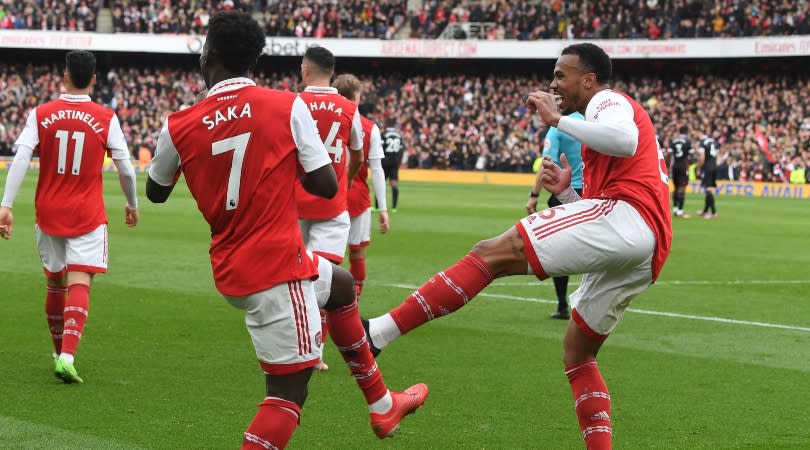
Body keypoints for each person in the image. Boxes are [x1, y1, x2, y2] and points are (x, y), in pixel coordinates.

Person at [365, 43, 672, 449]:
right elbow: (602, 224)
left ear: (590, 79)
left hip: (629, 217)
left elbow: (625, 141)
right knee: (578, 353)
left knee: (490, 253)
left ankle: (378, 333)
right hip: (646, 247)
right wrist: (566, 195)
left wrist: (558, 119)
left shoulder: (607, 101)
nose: (554, 82)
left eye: (562, 75)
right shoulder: (598, 123)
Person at [145, 12, 426, 449]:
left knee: (341, 286)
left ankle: (382, 404)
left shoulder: (178, 123)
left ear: (209, 54)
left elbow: (156, 191)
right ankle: (379, 406)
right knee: (288, 394)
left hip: (234, 263)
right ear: (254, 60)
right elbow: (326, 184)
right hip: (275, 266)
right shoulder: (284, 105)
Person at [0, 50, 139, 384]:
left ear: (64, 76)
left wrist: (6, 205)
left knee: (54, 281)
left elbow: (20, 159)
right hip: (86, 212)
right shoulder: (106, 117)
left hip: (48, 211)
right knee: (81, 280)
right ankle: (67, 356)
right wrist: (132, 203)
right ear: (93, 79)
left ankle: (57, 350)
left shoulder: (42, 112)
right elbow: (125, 168)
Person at [296, 46, 364, 371]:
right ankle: (315, 351)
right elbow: (358, 156)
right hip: (332, 205)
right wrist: (345, 183)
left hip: (294, 204)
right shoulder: (348, 108)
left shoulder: (292, 104)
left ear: (306, 70)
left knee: (293, 277)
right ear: (332, 72)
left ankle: (294, 346)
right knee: (324, 280)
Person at [332, 74, 390, 299]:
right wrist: (382, 208)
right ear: (355, 98)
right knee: (357, 253)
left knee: (328, 255)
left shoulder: (323, 122)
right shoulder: (369, 128)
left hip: (329, 195)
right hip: (357, 197)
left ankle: (322, 307)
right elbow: (377, 169)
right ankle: (353, 303)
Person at [526, 112, 584, 320]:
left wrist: (534, 196)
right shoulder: (591, 122)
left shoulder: (558, 127)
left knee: (562, 251)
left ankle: (562, 305)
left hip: (565, 193)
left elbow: (546, 163)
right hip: (593, 193)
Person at [380, 117, 404, 212]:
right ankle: (394, 207)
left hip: (385, 161)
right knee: (394, 184)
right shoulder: (399, 135)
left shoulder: (383, 134)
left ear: (386, 124)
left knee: (381, 183)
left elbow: (380, 147)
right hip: (394, 162)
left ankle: (378, 206)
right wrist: (398, 161)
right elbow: (401, 149)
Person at [668, 125, 692, 218]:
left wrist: (668, 166)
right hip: (683, 166)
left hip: (675, 166)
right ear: (686, 132)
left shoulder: (674, 141)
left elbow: (669, 155)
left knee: (676, 187)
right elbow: (690, 156)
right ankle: (680, 211)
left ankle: (675, 208)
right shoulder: (687, 142)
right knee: (682, 188)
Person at [696, 132, 719, 219]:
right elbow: (716, 154)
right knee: (709, 189)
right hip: (714, 166)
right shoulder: (713, 141)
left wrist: (698, 168)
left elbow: (702, 157)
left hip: (708, 167)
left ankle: (713, 212)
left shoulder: (703, 142)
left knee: (708, 190)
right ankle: (705, 211)